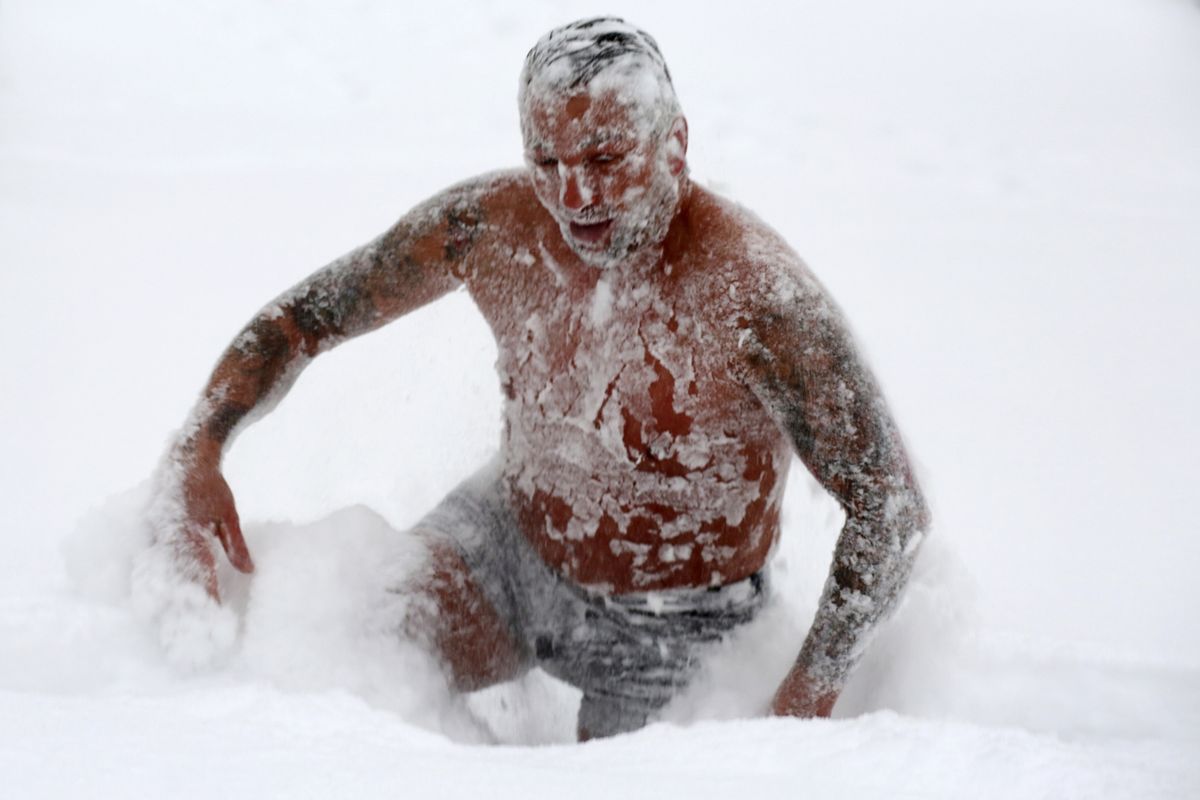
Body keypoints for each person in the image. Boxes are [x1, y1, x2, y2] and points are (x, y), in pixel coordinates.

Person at [150, 17, 930, 739]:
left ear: (676, 145)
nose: (573, 197)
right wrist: (199, 448)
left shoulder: (754, 295)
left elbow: (890, 510)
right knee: (341, 666)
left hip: (681, 622)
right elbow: (305, 319)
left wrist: (807, 693)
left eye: (603, 159)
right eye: (546, 161)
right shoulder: (495, 225)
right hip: (509, 542)